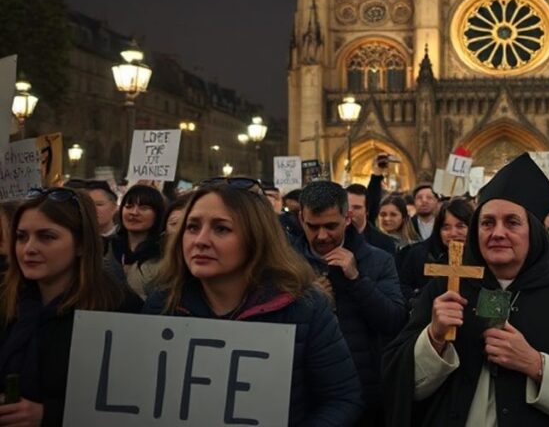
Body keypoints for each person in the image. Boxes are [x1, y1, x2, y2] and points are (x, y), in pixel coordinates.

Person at [381, 153, 549, 426]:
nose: (497, 233)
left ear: (533, 232)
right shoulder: (446, 289)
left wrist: (537, 365)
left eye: (512, 222)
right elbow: (396, 381)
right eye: (487, 223)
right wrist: (434, 338)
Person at [144, 180, 364, 426]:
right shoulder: (161, 305)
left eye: (221, 229)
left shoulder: (304, 308)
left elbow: (342, 399)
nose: (200, 240)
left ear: (256, 238)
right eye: (192, 227)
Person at [0, 188, 140, 426]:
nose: (29, 248)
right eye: (22, 237)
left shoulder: (118, 307)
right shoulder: (6, 298)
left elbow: (130, 402)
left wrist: (49, 415)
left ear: (81, 245)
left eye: (47, 237)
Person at [294, 181, 406, 426]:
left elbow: (394, 320)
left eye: (331, 226)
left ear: (347, 218)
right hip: (306, 394)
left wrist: (357, 279)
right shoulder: (285, 264)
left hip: (365, 393)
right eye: (313, 226)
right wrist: (307, 297)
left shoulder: (378, 260)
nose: (322, 236)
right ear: (301, 219)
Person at [398, 199, 474, 305]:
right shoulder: (418, 254)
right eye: (446, 227)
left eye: (460, 226)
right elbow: (403, 288)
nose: (453, 233)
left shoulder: (484, 257)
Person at [104, 184, 166, 300]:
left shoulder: (165, 255)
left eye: (143, 208)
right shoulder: (105, 248)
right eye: (129, 206)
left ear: (157, 214)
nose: (134, 212)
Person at [346, 184, 398, 258]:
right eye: (346, 206)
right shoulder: (333, 238)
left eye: (357, 207)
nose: (349, 211)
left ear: (367, 211)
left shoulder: (384, 243)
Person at [377, 194, 421, 268]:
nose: (387, 218)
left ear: (403, 217)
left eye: (393, 215)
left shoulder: (415, 246)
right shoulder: (372, 242)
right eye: (383, 214)